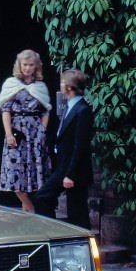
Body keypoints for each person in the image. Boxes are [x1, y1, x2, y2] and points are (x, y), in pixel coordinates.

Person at [32, 68, 93, 228]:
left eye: (62, 82)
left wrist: (70, 175)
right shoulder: (71, 107)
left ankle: (83, 247)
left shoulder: (83, 110)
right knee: (43, 198)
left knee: (77, 213)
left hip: (74, 172)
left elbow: (80, 146)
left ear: (69, 87)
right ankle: (54, 233)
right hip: (63, 167)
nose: (60, 85)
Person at [0, 49, 51, 212]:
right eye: (25, 65)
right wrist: (8, 134)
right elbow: (5, 111)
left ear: (36, 66)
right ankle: (30, 207)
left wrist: (42, 130)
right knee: (14, 175)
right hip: (17, 133)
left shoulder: (40, 86)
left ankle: (26, 214)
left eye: (31, 65)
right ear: (19, 65)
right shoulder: (11, 84)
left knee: (34, 176)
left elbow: (46, 111)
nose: (27, 68)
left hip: (35, 135)